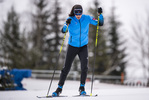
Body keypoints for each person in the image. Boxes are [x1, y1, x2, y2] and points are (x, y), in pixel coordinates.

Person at [52, 4, 104, 97]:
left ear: (82, 12)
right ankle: (59, 89)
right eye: (76, 12)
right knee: (66, 68)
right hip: (72, 46)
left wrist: (100, 15)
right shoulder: (70, 19)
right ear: (74, 12)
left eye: (80, 12)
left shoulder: (87, 18)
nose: (78, 15)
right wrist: (66, 24)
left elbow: (99, 23)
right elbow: (63, 30)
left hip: (83, 46)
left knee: (84, 67)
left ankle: (82, 88)